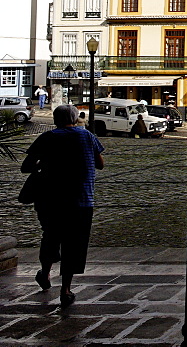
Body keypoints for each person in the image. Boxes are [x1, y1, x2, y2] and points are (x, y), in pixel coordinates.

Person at [20, 105, 105, 308]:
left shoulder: (47, 138)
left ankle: (45, 273)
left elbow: (26, 167)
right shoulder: (87, 136)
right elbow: (100, 164)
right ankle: (65, 290)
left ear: (55, 119)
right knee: (74, 244)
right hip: (82, 200)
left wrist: (43, 165)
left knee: (50, 236)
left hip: (50, 200)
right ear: (75, 119)